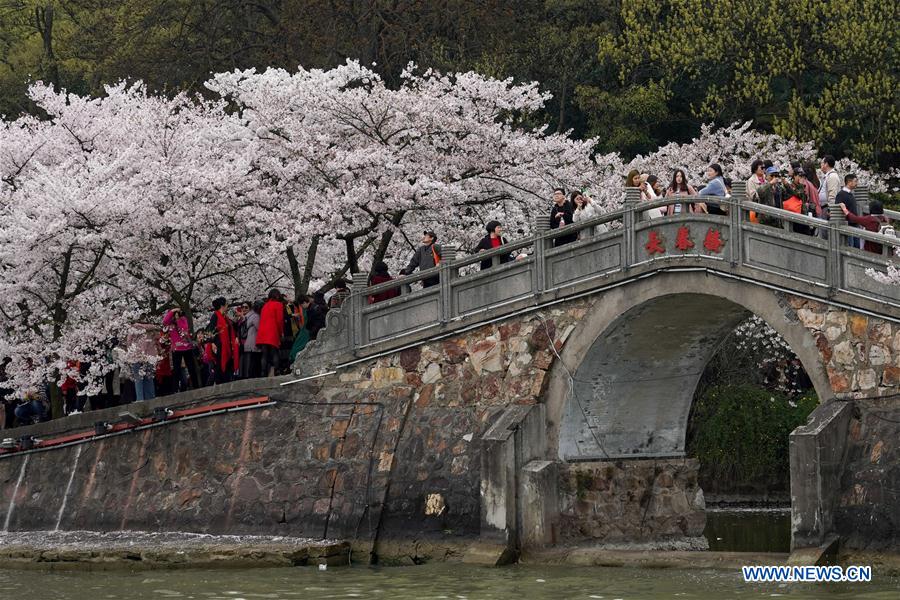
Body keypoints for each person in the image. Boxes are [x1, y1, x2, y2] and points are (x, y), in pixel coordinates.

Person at [163, 307, 199, 391]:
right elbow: (164, 321)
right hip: (176, 349)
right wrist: (172, 310)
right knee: (176, 370)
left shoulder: (183, 319)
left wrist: (178, 319)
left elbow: (184, 329)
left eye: (177, 313)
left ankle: (196, 386)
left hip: (186, 347)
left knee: (191, 368)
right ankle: (175, 388)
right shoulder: (170, 323)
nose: (176, 315)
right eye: (174, 314)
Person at [205, 297, 238, 385]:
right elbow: (210, 330)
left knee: (227, 365)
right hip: (218, 345)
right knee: (219, 365)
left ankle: (226, 381)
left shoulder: (225, 317)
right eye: (226, 304)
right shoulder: (215, 316)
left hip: (226, 345)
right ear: (222, 306)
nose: (227, 306)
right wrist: (211, 342)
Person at [125, 323, 161, 402]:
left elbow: (128, 341)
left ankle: (140, 398)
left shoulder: (134, 328)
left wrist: (130, 352)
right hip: (150, 357)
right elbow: (158, 340)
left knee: (138, 379)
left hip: (137, 356)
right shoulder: (153, 329)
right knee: (149, 378)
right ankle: (150, 397)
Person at [256, 289, 285, 378]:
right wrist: (281, 332)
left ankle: (263, 372)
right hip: (272, 331)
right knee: (274, 352)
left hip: (262, 332)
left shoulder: (265, 305)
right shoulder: (278, 305)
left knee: (264, 354)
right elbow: (279, 320)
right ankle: (277, 370)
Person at [836, 174, 861, 248]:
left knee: (857, 247)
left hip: (855, 224)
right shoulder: (841, 194)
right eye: (855, 181)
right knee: (850, 247)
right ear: (849, 182)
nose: (857, 183)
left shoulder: (850, 194)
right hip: (848, 224)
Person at [239, 301, 261, 379]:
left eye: (246, 307)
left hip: (252, 344)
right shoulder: (242, 318)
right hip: (245, 345)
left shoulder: (254, 316)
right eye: (242, 307)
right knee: (248, 366)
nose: (244, 309)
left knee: (252, 366)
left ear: (250, 308)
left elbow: (259, 328)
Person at [289, 295, 313, 363]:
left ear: (304, 302)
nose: (301, 307)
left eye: (301, 305)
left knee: (299, 345)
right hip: (305, 330)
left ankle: (294, 358)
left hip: (307, 330)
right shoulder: (307, 309)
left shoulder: (309, 309)